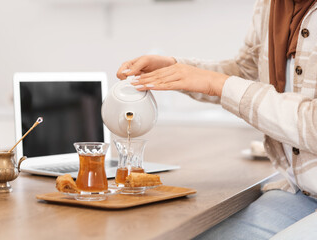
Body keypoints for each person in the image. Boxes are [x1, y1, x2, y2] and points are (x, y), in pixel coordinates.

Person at [116, 0, 317, 239]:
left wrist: (218, 85)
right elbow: (247, 71)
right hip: (300, 192)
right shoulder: (270, 5)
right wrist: (175, 67)